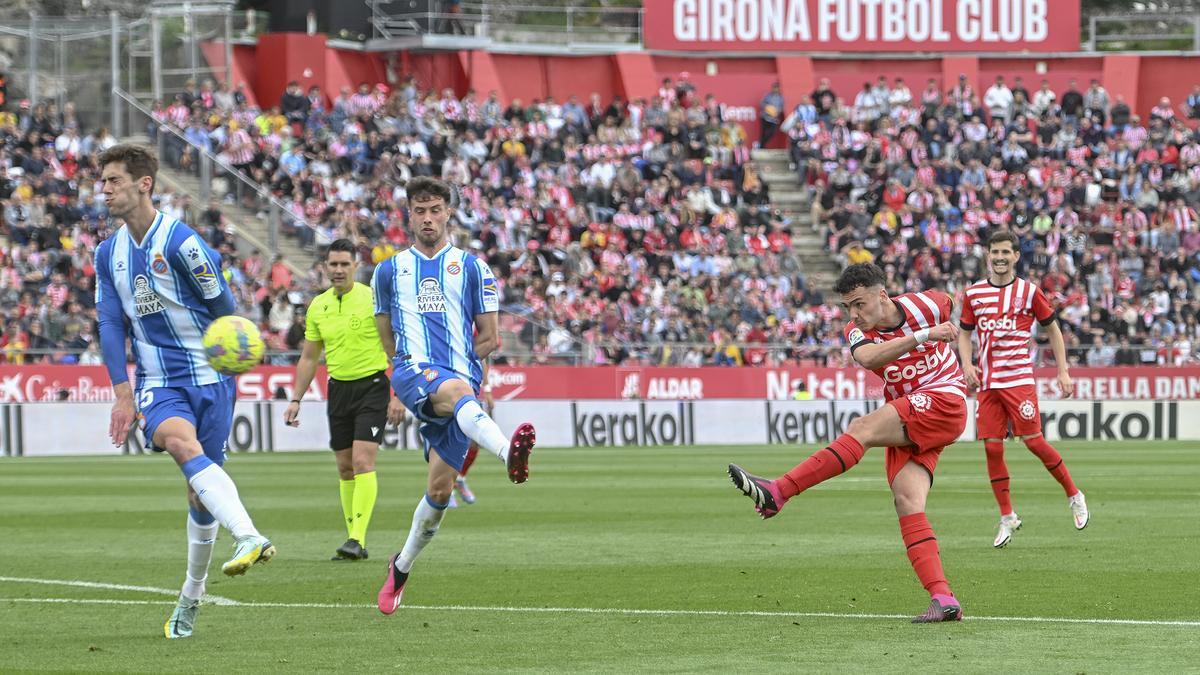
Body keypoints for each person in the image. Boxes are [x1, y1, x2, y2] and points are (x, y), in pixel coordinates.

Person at [94, 145, 274, 639]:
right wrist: (122, 393)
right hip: (159, 381)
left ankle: (190, 596)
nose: (104, 190)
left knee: (199, 493)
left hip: (212, 380)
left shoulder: (182, 244)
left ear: (143, 183)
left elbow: (226, 309)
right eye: (104, 181)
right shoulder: (107, 252)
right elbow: (110, 321)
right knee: (177, 442)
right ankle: (250, 536)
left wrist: (237, 350)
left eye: (113, 181)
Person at [728, 262, 967, 623]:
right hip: (914, 412)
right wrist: (924, 336)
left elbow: (953, 305)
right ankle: (943, 597)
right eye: (848, 307)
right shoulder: (857, 333)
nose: (854, 314)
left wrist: (962, 351)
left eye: (860, 304)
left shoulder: (929, 304)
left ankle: (779, 492)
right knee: (907, 501)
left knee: (862, 429)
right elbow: (869, 358)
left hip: (945, 399)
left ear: (882, 295)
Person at [372, 177, 536, 614]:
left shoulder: (473, 268)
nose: (427, 218)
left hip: (459, 383)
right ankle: (508, 456)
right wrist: (404, 373)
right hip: (413, 372)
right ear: (409, 214)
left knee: (440, 492)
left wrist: (456, 362)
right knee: (461, 393)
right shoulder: (388, 271)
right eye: (419, 210)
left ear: (448, 213)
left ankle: (400, 567)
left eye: (435, 210)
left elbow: (490, 337)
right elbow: (386, 335)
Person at [958, 230, 1089, 549]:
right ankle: (1007, 516)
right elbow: (964, 333)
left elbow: (1053, 331)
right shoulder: (974, 294)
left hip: (1018, 381)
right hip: (988, 383)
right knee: (991, 447)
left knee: (1034, 442)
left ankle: (1074, 494)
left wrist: (1063, 371)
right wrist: (966, 363)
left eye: (1006, 252)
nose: (1000, 257)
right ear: (988, 255)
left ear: (1016, 256)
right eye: (995, 252)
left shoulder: (1029, 293)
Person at [284, 238, 404, 561]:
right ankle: (353, 538)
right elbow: (309, 358)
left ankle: (356, 538)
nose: (338, 270)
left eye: (344, 264)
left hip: (373, 386)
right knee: (344, 467)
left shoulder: (373, 299)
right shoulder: (318, 307)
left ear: (355, 266)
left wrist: (399, 394)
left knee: (363, 462)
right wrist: (296, 398)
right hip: (338, 389)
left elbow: (397, 347)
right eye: (332, 265)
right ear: (325, 268)